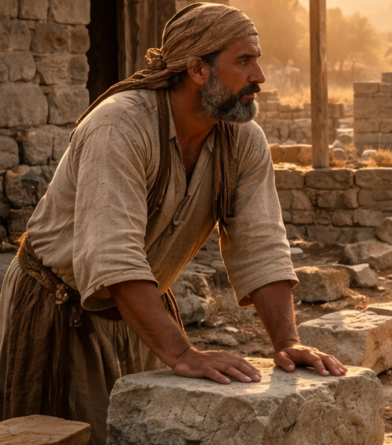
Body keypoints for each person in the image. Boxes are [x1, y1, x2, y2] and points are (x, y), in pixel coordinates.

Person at [0, 4, 345, 444]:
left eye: (256, 59)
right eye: (244, 60)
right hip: (61, 312)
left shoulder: (242, 141)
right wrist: (182, 352)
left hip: (143, 315)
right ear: (197, 69)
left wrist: (286, 342)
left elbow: (261, 244)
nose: (259, 75)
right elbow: (114, 256)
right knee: (73, 432)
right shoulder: (119, 126)